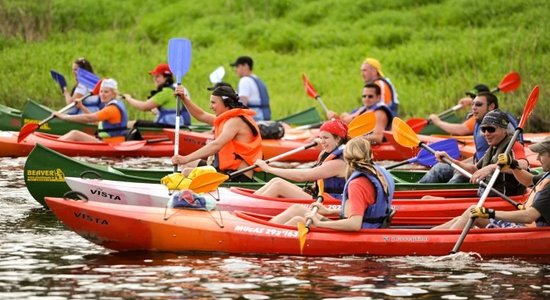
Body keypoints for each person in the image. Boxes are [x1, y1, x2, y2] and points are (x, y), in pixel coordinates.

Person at [270, 136, 395, 231]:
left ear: (346, 157)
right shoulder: (379, 171)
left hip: (359, 234)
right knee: (296, 209)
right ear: (370, 155)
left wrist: (320, 224)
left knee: (297, 220)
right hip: (372, 227)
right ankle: (265, 229)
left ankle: (264, 235)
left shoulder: (357, 184)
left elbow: (354, 224)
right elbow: (363, 209)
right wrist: (330, 212)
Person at [433, 136, 550, 230]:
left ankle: (439, 243)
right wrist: (513, 165)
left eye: (541, 154)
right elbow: (528, 180)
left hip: (528, 230)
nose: (538, 158)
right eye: (483, 130)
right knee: (463, 217)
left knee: (473, 213)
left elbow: (529, 217)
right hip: (526, 226)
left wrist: (490, 213)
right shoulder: (547, 175)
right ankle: (429, 236)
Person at [419, 92, 517, 184]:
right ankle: (415, 189)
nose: (486, 134)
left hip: (490, 176)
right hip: (478, 167)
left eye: (478, 105)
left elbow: (521, 164)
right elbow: (477, 162)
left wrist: (438, 122)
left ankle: (437, 197)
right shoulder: (477, 121)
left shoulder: (503, 127)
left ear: (491, 107)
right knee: (439, 168)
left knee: (458, 176)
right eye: (472, 104)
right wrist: (454, 162)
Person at [425, 110, 529, 196]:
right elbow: (474, 169)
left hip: (503, 198)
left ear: (505, 130)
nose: (486, 134)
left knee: (429, 198)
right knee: (427, 198)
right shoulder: (493, 147)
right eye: (484, 129)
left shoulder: (513, 145)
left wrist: (492, 167)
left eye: (491, 129)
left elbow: (523, 166)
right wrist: (451, 161)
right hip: (485, 194)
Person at [171, 84, 262, 182]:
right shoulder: (227, 119)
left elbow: (216, 145)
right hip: (226, 171)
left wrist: (186, 158)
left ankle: (189, 195)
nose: (210, 107)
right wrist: (184, 98)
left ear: (226, 102)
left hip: (238, 176)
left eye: (213, 103)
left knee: (187, 172)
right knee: (188, 165)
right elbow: (201, 115)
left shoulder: (236, 121)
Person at [253, 119, 349, 199]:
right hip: (319, 196)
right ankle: (250, 201)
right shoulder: (328, 153)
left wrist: (269, 169)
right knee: (276, 181)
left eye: (326, 138)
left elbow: (302, 176)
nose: (322, 141)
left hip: (330, 202)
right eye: (321, 137)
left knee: (278, 186)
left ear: (338, 139)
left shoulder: (339, 162)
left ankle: (250, 207)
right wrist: (323, 146)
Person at [54, 79, 128, 143]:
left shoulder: (112, 109)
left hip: (111, 145)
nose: (102, 94)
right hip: (107, 142)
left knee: (75, 134)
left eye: (106, 92)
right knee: (75, 134)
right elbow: (96, 122)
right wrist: (82, 107)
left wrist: (64, 117)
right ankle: (55, 143)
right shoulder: (112, 105)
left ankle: (53, 146)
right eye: (101, 91)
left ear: (113, 94)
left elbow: (89, 118)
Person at [123, 63, 191, 127]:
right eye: (154, 76)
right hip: (176, 124)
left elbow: (144, 107)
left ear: (166, 78)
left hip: (170, 127)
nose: (155, 79)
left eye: (157, 76)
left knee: (134, 123)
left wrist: (129, 99)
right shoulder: (174, 89)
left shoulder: (167, 92)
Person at [327, 82, 393, 144]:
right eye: (364, 96)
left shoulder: (380, 113)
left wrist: (353, 139)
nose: (366, 99)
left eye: (370, 96)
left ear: (378, 97)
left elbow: (378, 138)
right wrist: (336, 117)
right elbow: (347, 122)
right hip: (357, 142)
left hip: (371, 147)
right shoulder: (363, 109)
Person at [230, 56, 271, 121]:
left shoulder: (245, 80)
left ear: (245, 66)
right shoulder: (257, 79)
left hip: (255, 119)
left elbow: (242, 103)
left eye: (237, 66)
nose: (235, 69)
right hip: (265, 118)